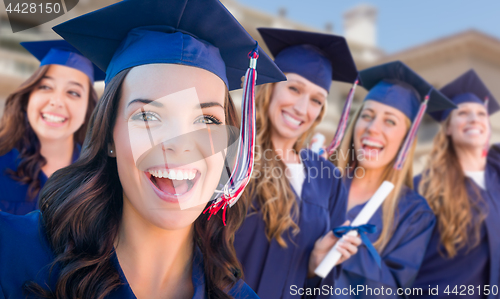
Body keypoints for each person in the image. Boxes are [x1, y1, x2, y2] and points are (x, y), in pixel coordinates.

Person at [0, 0, 286, 298]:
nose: (180, 145)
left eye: (206, 119)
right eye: (149, 116)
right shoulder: (14, 254)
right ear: (109, 136)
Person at [234, 28, 362, 299]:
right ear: (270, 86)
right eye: (294, 88)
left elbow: (323, 285)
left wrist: (316, 265)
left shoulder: (327, 177)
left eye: (316, 100)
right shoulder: (233, 155)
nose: (303, 109)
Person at [330, 61, 455, 298]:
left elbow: (392, 291)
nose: (373, 128)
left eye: (390, 121)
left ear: (406, 139)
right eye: (367, 116)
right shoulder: (320, 185)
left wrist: (355, 251)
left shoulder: (415, 214)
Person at [412, 70, 500, 299]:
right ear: (448, 128)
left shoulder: (497, 177)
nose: (474, 119)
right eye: (463, 113)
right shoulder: (423, 189)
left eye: (481, 114)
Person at [0, 40, 104, 215]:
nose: (56, 102)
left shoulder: (97, 177)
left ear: (88, 109)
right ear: (28, 97)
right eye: (46, 87)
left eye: (73, 92)